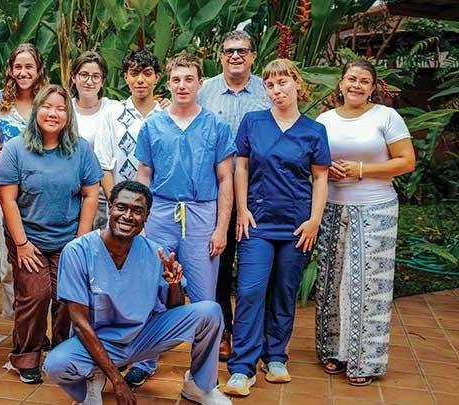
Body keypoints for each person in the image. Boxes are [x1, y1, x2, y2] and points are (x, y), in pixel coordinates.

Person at [43, 180, 232, 405]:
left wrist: (174, 284)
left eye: (137, 211)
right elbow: (80, 322)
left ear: (146, 217)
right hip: (100, 341)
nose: (128, 216)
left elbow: (176, 310)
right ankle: (91, 380)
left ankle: (199, 386)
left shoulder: (154, 253)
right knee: (56, 364)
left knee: (210, 311)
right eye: (122, 207)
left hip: (143, 336)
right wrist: (117, 380)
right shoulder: (78, 252)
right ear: (110, 207)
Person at [224, 59, 330, 396]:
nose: (276, 90)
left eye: (282, 83)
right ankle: (242, 368)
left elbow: (320, 177)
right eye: (270, 85)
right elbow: (241, 168)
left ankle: (275, 357)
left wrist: (314, 219)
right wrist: (242, 210)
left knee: (284, 292)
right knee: (251, 291)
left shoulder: (314, 131)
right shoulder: (253, 122)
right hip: (258, 223)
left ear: (297, 84)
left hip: (297, 226)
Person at [128, 52, 235, 387]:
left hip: (202, 215)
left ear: (200, 83)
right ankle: (145, 363)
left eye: (189, 79)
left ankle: (202, 379)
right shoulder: (153, 126)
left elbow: (225, 180)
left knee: (205, 300)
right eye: (176, 79)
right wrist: (138, 222)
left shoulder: (216, 126)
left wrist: (221, 228)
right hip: (159, 212)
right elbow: (143, 174)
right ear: (168, 83)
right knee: (154, 289)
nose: (182, 85)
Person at [314, 59, 415, 386]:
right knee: (332, 282)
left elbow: (406, 161)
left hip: (376, 210)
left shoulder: (386, 117)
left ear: (373, 87)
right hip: (331, 207)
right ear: (340, 84)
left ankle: (365, 362)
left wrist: (361, 170)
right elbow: (312, 162)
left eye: (364, 81)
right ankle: (333, 351)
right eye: (351, 79)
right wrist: (327, 170)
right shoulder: (324, 120)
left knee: (369, 287)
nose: (357, 85)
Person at [0, 84, 102, 384]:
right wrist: (22, 244)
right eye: (47, 106)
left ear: (68, 115)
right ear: (36, 111)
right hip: (27, 237)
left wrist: (79, 242)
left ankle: (63, 353)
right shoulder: (16, 149)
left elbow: (91, 194)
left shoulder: (80, 149)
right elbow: (7, 200)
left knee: (66, 297)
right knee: (36, 293)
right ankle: (25, 355)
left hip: (68, 239)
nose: (53, 113)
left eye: (60, 108)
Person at [197, 30, 271, 359]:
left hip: (263, 192)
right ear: (220, 56)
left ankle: (253, 333)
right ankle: (224, 331)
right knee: (221, 267)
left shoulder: (267, 91)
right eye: (229, 51)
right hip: (219, 193)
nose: (235, 56)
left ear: (253, 55)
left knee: (257, 269)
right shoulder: (205, 92)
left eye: (242, 50)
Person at [0, 43, 49, 323]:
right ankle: (19, 324)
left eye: (29, 66)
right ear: (10, 70)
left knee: (41, 259)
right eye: (18, 67)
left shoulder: (49, 101)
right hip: (8, 192)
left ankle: (42, 324)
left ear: (38, 70)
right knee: (9, 264)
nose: (23, 72)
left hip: (45, 194)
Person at [94, 49, 163, 199]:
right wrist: (115, 201)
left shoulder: (166, 117)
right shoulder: (111, 114)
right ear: (126, 77)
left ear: (157, 77)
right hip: (119, 207)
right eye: (134, 73)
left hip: (159, 209)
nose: (140, 80)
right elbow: (103, 164)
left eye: (147, 73)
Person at [69, 51, 120, 229]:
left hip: (105, 192)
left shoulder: (114, 109)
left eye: (95, 76)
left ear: (102, 81)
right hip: (72, 192)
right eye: (84, 75)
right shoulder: (63, 108)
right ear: (74, 77)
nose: (89, 81)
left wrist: (162, 106)